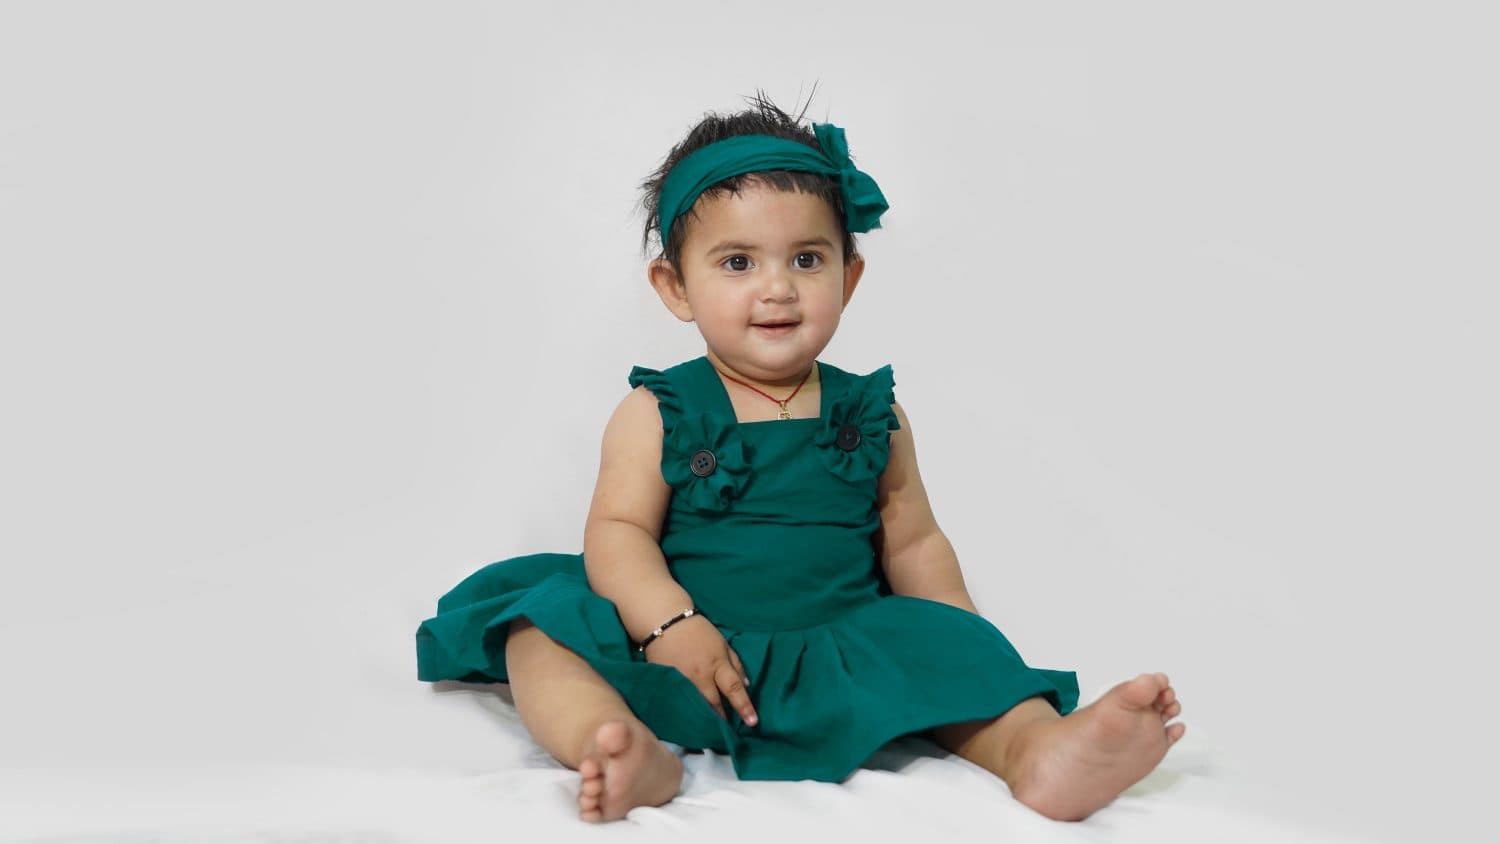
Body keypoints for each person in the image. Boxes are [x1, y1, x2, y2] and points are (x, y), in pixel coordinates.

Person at [415, 93, 1185, 824]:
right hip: (689, 654)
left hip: (837, 645)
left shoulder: (874, 414)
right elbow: (618, 534)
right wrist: (669, 626)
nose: (777, 289)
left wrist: (961, 650)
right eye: (738, 263)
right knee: (537, 630)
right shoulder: (656, 412)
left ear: (849, 278)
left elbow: (912, 538)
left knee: (943, 659)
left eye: (808, 260)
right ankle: (616, 746)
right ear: (674, 286)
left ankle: (1037, 752)